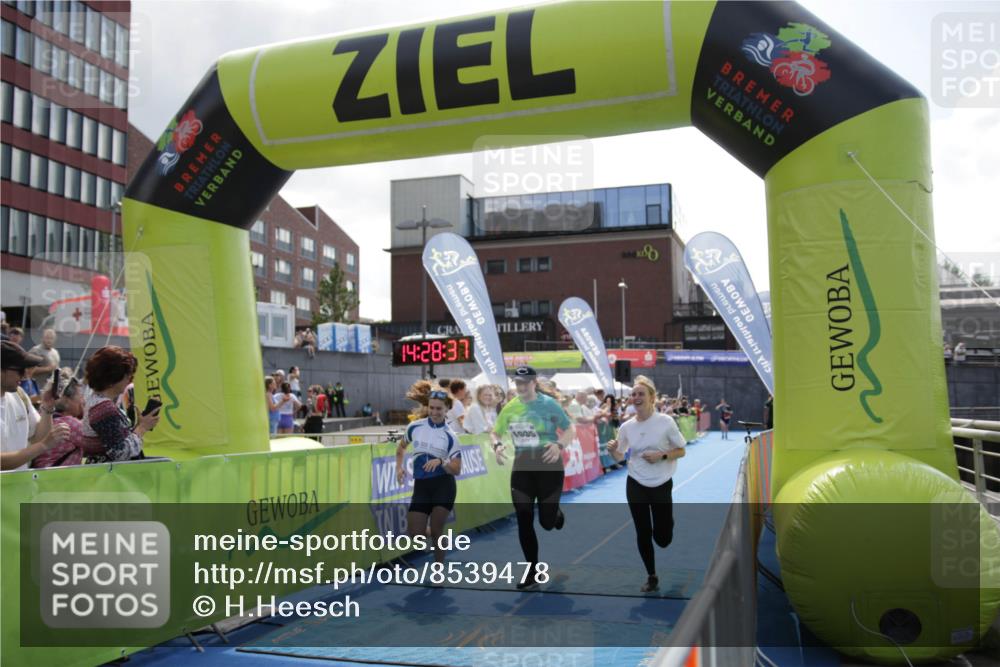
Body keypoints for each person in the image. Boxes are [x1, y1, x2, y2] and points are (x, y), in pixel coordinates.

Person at [492, 366, 574, 589]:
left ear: (534, 382)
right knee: (524, 517)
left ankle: (555, 515)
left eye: (525, 382)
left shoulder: (548, 404)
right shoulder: (510, 407)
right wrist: (497, 445)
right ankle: (532, 570)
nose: (520, 386)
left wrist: (560, 445)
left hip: (548, 465)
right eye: (517, 382)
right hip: (522, 468)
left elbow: (569, 429)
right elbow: (495, 431)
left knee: (547, 523)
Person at [607, 375, 686, 593]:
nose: (636, 397)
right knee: (642, 531)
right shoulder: (626, 427)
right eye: (633, 394)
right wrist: (613, 450)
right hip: (636, 483)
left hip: (661, 483)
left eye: (641, 393)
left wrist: (661, 456)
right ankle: (651, 575)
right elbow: (620, 457)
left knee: (662, 539)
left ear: (652, 397)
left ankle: (666, 525)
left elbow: (681, 450)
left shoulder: (665, 422)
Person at [396, 389, 462, 563]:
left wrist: (442, 461)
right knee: (416, 535)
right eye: (431, 408)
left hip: (444, 486)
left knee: (437, 527)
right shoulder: (415, 427)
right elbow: (401, 448)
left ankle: (438, 571)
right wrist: (399, 468)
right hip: (422, 487)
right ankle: (438, 539)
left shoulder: (451, 436)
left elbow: (457, 469)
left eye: (439, 409)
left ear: (447, 409)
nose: (434, 412)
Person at [82, 346, 160, 463]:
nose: (130, 379)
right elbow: (120, 453)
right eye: (128, 375)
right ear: (112, 378)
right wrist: (142, 428)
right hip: (112, 477)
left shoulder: (96, 401)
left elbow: (113, 439)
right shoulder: (104, 408)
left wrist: (137, 427)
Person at [1, 342, 70, 470]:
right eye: (20, 369)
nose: (25, 374)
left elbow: (39, 436)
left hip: (22, 487)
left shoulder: (20, 394)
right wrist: (44, 445)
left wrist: (48, 407)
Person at [32, 369, 103, 468]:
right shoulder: (70, 424)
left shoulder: (43, 417)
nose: (83, 400)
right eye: (80, 396)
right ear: (67, 400)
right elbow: (100, 445)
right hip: (58, 479)